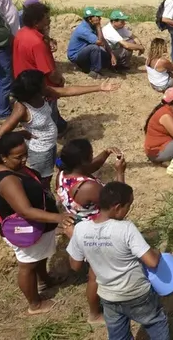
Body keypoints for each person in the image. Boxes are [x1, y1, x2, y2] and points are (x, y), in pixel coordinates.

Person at [64, 182, 170, 340]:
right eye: (129, 206)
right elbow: (152, 262)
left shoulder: (80, 230)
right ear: (118, 207)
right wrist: (157, 252)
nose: (129, 210)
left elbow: (75, 265)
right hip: (136, 293)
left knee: (118, 335)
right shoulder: (126, 228)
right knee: (155, 323)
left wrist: (74, 240)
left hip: (109, 297)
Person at [0, 132, 73, 315]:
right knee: (27, 266)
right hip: (26, 229)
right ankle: (34, 304)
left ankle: (44, 279)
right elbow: (25, 211)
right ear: (3, 157)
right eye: (19, 157)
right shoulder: (8, 181)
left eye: (25, 153)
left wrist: (20, 135)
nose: (24, 159)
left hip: (37, 227)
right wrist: (58, 218)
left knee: (38, 258)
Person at [0, 69, 120, 185]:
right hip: (40, 152)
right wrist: (20, 135)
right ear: (34, 90)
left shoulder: (42, 94)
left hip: (51, 145)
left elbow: (68, 91)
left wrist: (99, 87)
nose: (46, 85)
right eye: (43, 84)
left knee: (51, 172)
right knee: (43, 181)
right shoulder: (22, 108)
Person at [55, 139, 125, 324]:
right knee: (95, 275)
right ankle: (95, 314)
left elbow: (89, 167)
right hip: (96, 233)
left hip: (79, 226)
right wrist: (120, 172)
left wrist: (106, 152)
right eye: (91, 155)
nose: (94, 158)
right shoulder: (89, 187)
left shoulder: (62, 175)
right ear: (83, 161)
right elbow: (117, 204)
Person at [13, 0, 68, 134]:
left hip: (24, 82)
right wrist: (60, 81)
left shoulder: (21, 33)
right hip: (41, 88)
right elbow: (49, 72)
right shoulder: (37, 43)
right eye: (46, 18)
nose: (49, 20)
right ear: (36, 22)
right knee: (49, 117)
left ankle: (60, 125)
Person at [69, 7, 115, 78]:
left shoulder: (91, 26)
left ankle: (89, 67)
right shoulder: (83, 29)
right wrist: (98, 26)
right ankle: (94, 71)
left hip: (85, 51)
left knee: (105, 55)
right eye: (97, 17)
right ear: (90, 19)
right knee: (95, 47)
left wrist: (112, 55)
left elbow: (103, 40)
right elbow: (99, 42)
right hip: (76, 56)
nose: (100, 19)